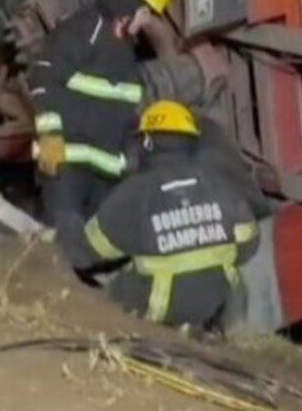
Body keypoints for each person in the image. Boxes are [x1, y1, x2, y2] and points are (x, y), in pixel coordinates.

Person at [61, 100, 261, 328]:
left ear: (146, 142)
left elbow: (88, 252)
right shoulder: (220, 184)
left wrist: (65, 230)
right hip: (215, 305)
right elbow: (249, 245)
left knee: (112, 291)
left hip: (160, 307)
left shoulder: (133, 193)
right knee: (233, 277)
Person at [28, 0, 171, 241]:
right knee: (62, 242)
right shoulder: (84, 28)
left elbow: (120, 108)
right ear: (134, 9)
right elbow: (43, 77)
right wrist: (50, 136)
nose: (145, 23)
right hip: (66, 162)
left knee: (99, 244)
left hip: (105, 170)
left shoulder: (124, 50)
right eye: (146, 14)